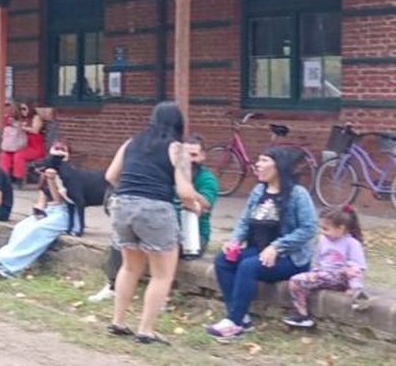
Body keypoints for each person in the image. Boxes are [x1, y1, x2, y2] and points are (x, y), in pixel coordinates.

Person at [105, 101, 200, 345]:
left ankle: (118, 321)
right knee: (161, 275)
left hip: (122, 205)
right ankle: (146, 330)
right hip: (155, 208)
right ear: (179, 123)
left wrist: (130, 193)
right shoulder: (177, 149)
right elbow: (185, 192)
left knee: (129, 267)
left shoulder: (131, 142)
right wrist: (196, 205)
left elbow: (110, 175)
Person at [206, 146, 318, 341]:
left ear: (279, 166)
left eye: (264, 160)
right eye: (258, 160)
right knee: (223, 260)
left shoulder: (298, 194)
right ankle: (241, 315)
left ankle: (234, 322)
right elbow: (245, 220)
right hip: (258, 251)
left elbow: (309, 228)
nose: (258, 165)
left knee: (248, 266)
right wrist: (234, 240)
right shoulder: (259, 191)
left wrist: (277, 246)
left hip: (289, 258)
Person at [90, 134, 219, 303]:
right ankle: (113, 286)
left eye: (194, 155)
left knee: (161, 247)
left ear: (203, 156)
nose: (189, 159)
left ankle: (161, 295)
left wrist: (185, 188)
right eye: (185, 154)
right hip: (159, 226)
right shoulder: (166, 173)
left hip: (193, 237)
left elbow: (206, 205)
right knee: (122, 241)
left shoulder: (207, 178)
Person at [284, 206, 370, 328]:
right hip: (324, 275)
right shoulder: (323, 240)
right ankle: (301, 314)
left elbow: (359, 267)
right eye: (321, 228)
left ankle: (358, 293)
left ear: (341, 228)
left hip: (342, 277)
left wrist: (352, 279)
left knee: (353, 268)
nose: (322, 231)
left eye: (326, 229)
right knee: (295, 281)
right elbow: (318, 260)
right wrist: (314, 272)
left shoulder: (352, 243)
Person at [0, 163, 71, 279]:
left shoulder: (68, 176)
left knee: (38, 230)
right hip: (49, 210)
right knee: (21, 227)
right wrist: (39, 210)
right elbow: (42, 199)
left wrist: (52, 179)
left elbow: (58, 200)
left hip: (64, 213)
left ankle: (10, 268)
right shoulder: (45, 176)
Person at [0, 100, 45, 184]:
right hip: (20, 145)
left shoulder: (35, 117)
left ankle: (18, 178)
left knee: (19, 155)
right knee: (5, 155)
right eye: (20, 109)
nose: (22, 111)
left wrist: (23, 128)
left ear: (29, 108)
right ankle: (4, 178)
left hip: (34, 147)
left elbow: (35, 130)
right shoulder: (19, 119)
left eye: (24, 109)